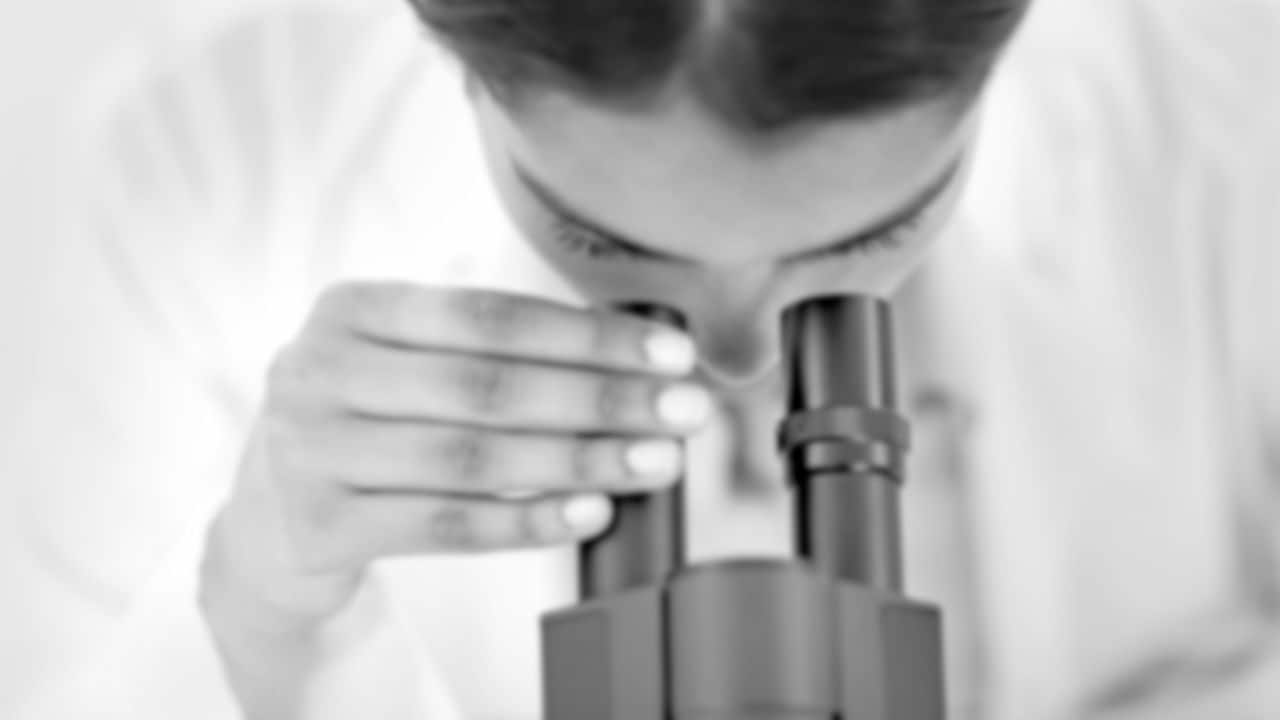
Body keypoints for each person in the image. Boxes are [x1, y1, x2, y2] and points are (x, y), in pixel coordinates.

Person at [9, 0, 1280, 717]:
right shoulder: (184, 173)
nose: (734, 359)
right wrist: (259, 619)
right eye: (595, 238)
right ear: (454, 62)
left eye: (873, 235)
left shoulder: (1234, 124)